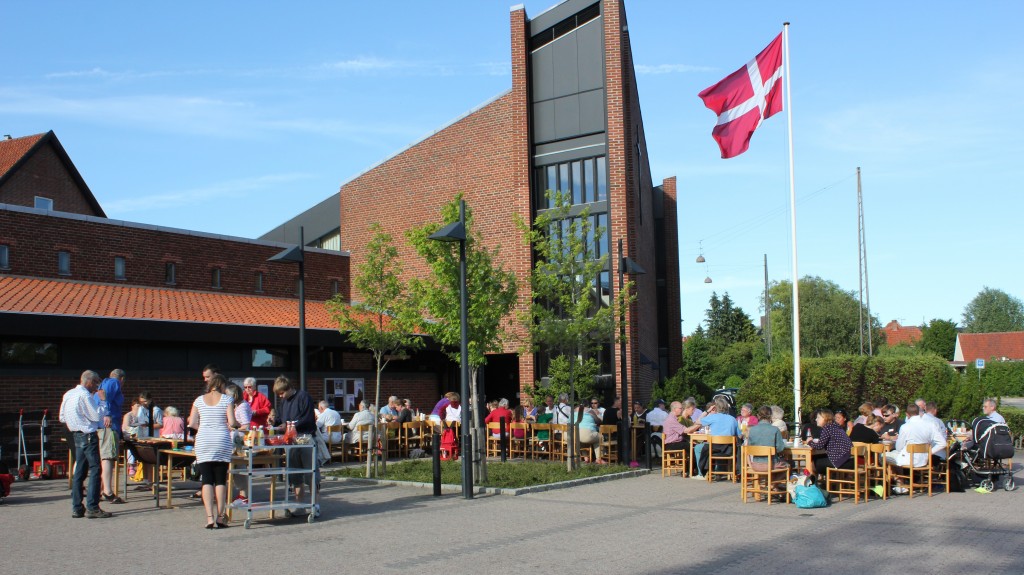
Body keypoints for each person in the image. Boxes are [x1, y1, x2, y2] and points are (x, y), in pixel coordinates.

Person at [59, 370, 112, 519]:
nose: (96, 387)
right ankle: (92, 507)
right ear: (89, 381)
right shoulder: (85, 395)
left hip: (76, 434)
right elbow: (96, 415)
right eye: (95, 383)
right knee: (95, 469)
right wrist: (102, 401)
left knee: (80, 471)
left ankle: (77, 507)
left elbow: (62, 417)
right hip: (88, 434)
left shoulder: (69, 394)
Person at [189, 373, 238, 528]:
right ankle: (220, 517)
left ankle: (209, 517)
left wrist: (204, 427)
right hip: (221, 440)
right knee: (220, 480)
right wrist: (235, 424)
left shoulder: (198, 400)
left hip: (203, 440)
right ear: (222, 385)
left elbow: (192, 422)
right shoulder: (227, 399)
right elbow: (232, 422)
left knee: (207, 479)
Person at [273, 375, 320, 518]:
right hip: (291, 441)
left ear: (288, 388)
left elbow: (306, 418)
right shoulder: (284, 402)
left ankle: (315, 505)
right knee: (295, 474)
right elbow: (281, 418)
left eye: (282, 393)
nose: (281, 396)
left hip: (305, 439)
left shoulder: (303, 396)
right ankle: (300, 506)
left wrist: (288, 425)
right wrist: (275, 422)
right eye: (279, 394)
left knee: (311, 473)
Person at [97, 368, 125, 505]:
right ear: (122, 379)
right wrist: (107, 413)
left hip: (103, 426)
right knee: (107, 457)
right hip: (109, 426)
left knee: (103, 458)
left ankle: (103, 488)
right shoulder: (114, 383)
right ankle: (107, 491)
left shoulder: (104, 382)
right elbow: (105, 397)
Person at [695, 397, 742, 477]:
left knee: (699, 447)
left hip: (714, 448)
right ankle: (722, 471)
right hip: (729, 449)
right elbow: (739, 435)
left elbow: (697, 421)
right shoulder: (733, 419)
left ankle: (702, 472)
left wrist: (707, 411)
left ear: (716, 407)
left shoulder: (713, 417)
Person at [809, 409, 853, 477]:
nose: (816, 419)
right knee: (817, 458)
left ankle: (813, 485)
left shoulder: (828, 428)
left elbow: (819, 446)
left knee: (811, 463)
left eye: (818, 417)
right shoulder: (836, 426)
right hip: (848, 460)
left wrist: (809, 441)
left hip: (839, 461)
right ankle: (829, 482)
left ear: (825, 418)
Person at [747, 405, 789, 472]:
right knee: (789, 465)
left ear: (758, 416)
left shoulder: (752, 430)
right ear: (770, 416)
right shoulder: (775, 429)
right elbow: (780, 448)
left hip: (755, 465)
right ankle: (773, 481)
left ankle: (767, 480)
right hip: (771, 464)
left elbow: (749, 448)